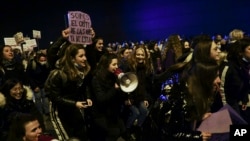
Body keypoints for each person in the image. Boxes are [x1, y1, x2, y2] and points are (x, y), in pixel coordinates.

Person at [158, 62, 220, 141]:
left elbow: (183, 119)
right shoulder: (178, 96)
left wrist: (198, 118)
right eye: (215, 76)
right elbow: (167, 133)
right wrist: (198, 137)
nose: (219, 80)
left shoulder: (194, 95)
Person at [44, 43, 93, 141]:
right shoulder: (59, 74)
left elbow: (84, 86)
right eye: (81, 56)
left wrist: (87, 97)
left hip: (73, 107)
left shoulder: (82, 71)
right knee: (67, 138)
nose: (85, 58)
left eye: (85, 55)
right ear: (72, 58)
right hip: (59, 111)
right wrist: (74, 103)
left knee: (82, 135)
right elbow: (55, 97)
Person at [89, 53, 127, 141]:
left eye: (117, 64)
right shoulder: (96, 79)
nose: (116, 67)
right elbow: (101, 99)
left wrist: (123, 88)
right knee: (114, 132)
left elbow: (119, 98)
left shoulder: (113, 76)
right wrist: (114, 89)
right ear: (106, 65)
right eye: (114, 64)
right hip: (100, 113)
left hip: (112, 111)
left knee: (123, 130)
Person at [120, 44, 154, 140]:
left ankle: (137, 129)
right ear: (134, 55)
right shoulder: (128, 66)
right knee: (135, 113)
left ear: (145, 56)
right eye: (138, 54)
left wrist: (145, 98)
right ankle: (127, 131)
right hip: (129, 97)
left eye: (142, 55)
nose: (140, 57)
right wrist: (126, 98)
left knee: (144, 111)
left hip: (140, 97)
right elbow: (123, 84)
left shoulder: (146, 67)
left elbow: (145, 86)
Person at [26, 51, 51, 116]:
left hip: (44, 84)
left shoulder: (47, 65)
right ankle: (40, 112)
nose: (43, 61)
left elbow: (48, 75)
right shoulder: (32, 64)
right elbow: (29, 76)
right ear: (38, 59)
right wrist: (34, 86)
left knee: (45, 98)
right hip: (35, 84)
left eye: (44, 60)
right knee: (38, 98)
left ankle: (47, 111)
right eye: (41, 60)